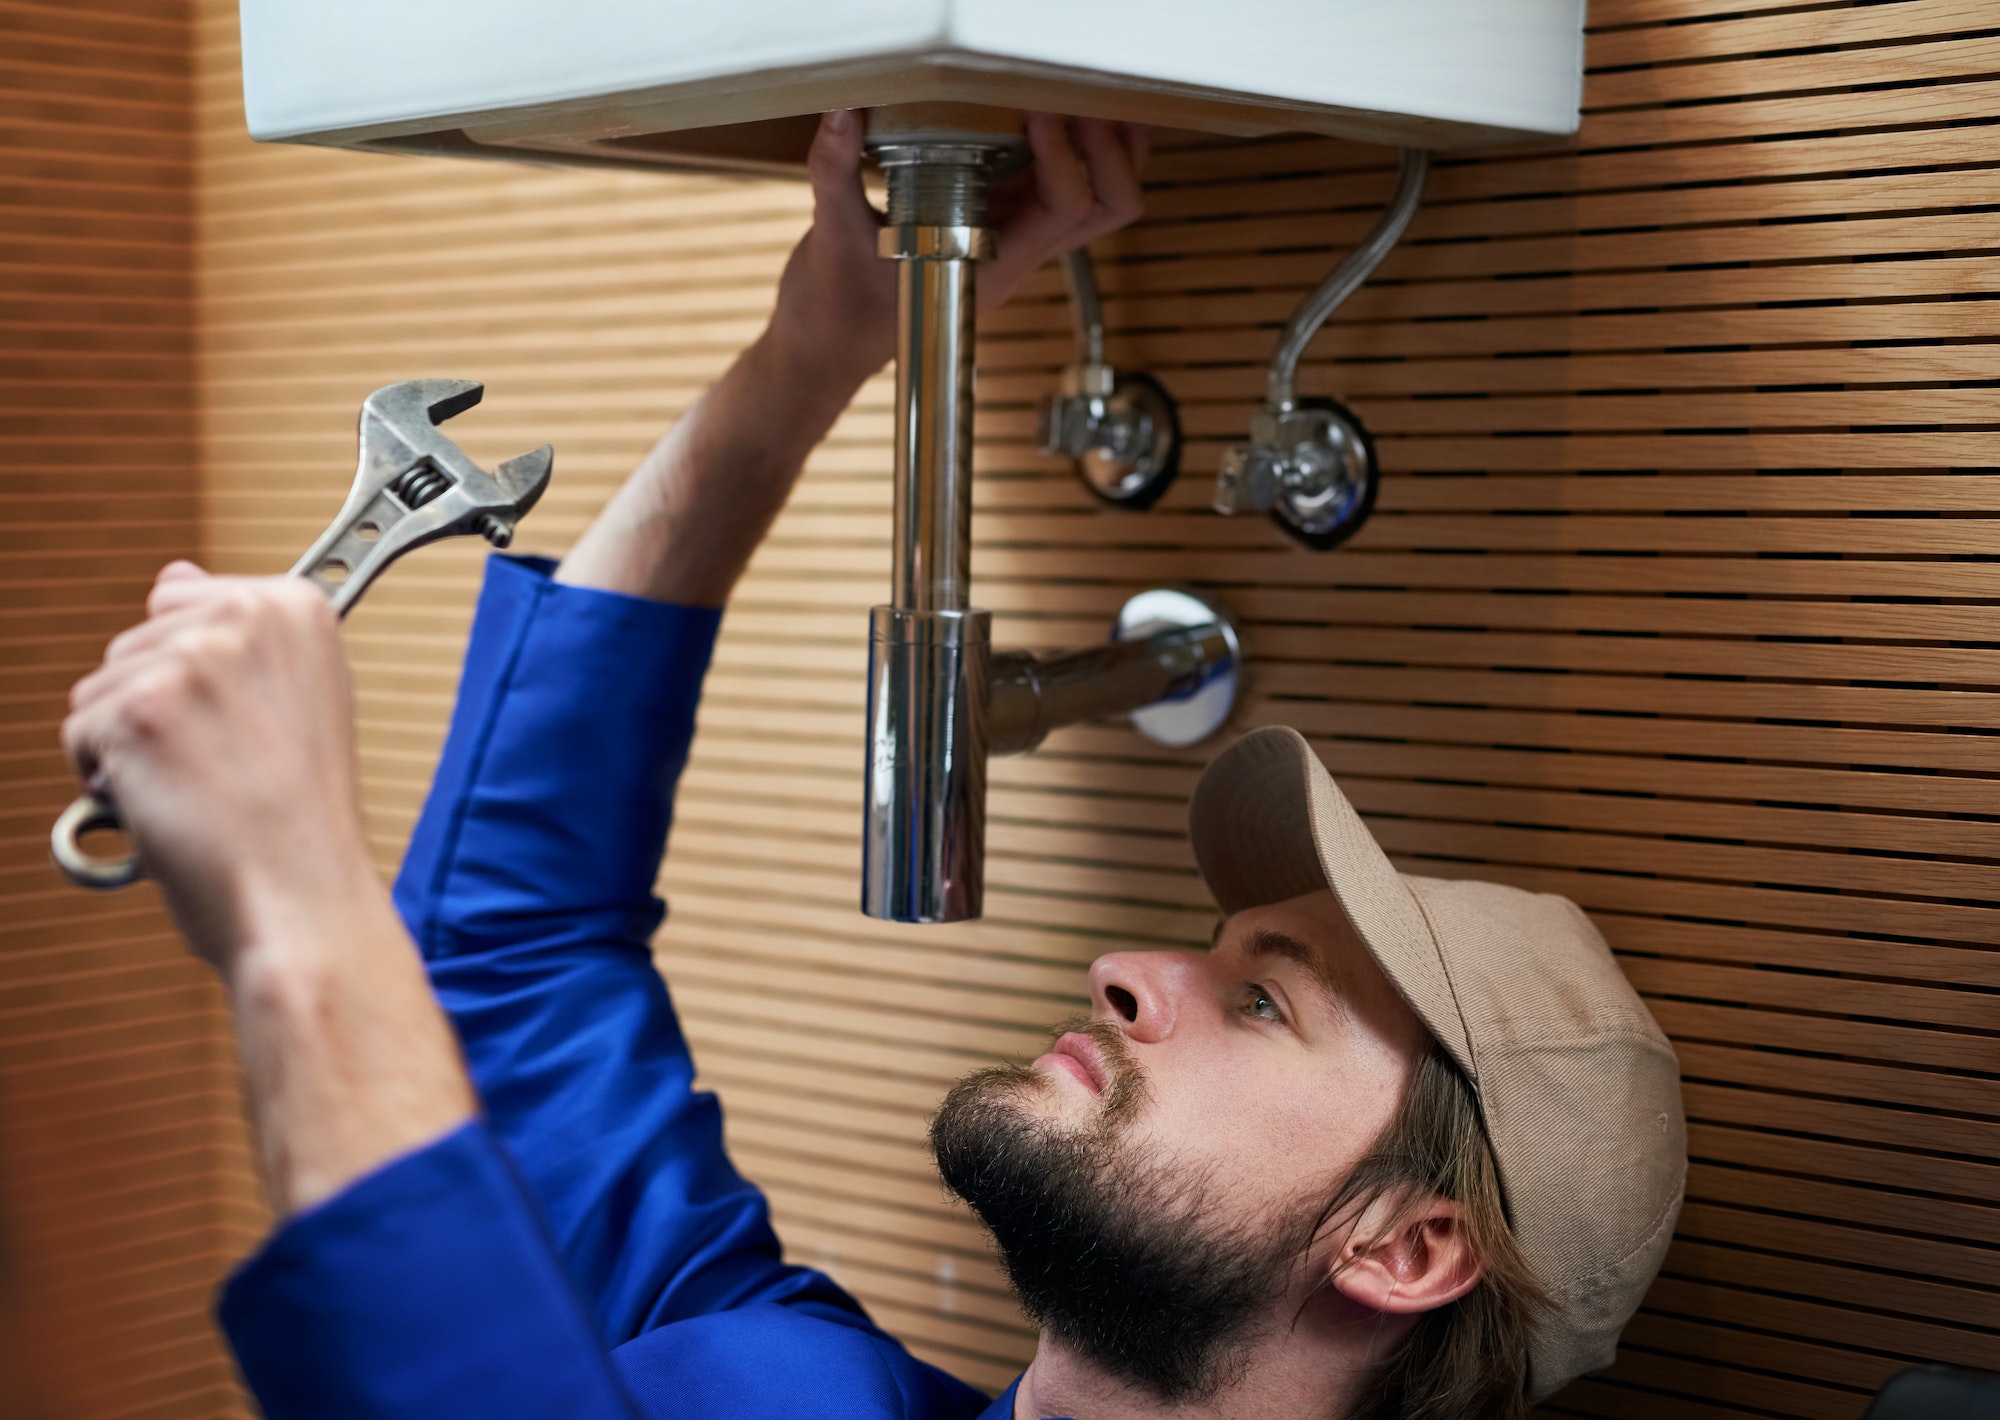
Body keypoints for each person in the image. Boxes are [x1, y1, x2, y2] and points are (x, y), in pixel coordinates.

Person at [60, 111, 1686, 1420]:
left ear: (1406, 1246)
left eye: (1265, 999)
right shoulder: (799, 1381)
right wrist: (811, 354)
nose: (1126, 971)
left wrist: (292, 904)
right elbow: (516, 953)